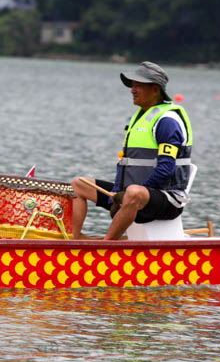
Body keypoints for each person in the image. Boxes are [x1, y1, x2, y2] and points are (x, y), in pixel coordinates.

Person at [71, 61, 195, 240]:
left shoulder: (167, 121)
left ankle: (105, 247)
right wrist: (117, 191)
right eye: (132, 85)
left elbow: (165, 170)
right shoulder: (141, 116)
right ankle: (73, 242)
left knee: (133, 193)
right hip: (129, 194)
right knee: (79, 184)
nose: (132, 90)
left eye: (139, 85)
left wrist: (129, 194)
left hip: (167, 199)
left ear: (155, 90)